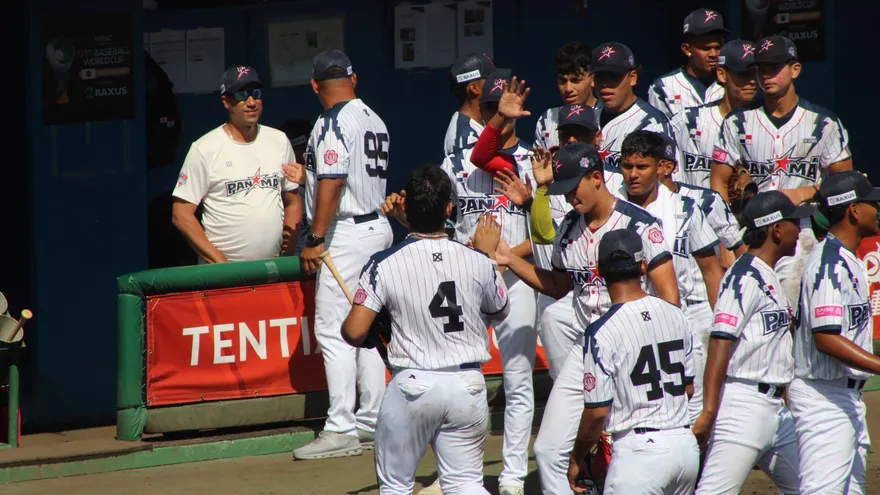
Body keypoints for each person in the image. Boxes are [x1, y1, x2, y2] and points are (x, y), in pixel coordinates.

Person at [485, 141, 680, 494]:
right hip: (587, 348)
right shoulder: (569, 229)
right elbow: (560, 285)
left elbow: (670, 298)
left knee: (628, 452)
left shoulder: (641, 225)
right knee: (546, 450)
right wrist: (511, 260)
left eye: (573, 188)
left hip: (634, 349)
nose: (568, 198)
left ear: (596, 177)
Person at [342, 165, 510, 495]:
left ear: (407, 206)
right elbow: (501, 309)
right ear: (449, 208)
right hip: (468, 386)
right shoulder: (476, 259)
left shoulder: (384, 262)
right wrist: (489, 256)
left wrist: (380, 324)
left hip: (413, 387)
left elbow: (353, 332)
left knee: (396, 487)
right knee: (466, 484)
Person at [438, 71, 537, 495]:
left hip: (515, 281)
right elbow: (443, 223)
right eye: (490, 109)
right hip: (468, 284)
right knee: (461, 381)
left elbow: (545, 236)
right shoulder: (458, 162)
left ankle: (513, 476)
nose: (496, 114)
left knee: (518, 379)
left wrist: (509, 256)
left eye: (502, 107)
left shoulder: (534, 161)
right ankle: (462, 474)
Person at [292, 50, 393, 460]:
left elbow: (333, 181)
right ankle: (371, 421)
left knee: (335, 332)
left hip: (345, 234)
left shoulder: (332, 120)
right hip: (376, 227)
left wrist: (315, 237)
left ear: (315, 85)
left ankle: (341, 427)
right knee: (366, 329)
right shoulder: (374, 117)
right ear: (355, 77)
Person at [710, 34, 853, 307]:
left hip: (802, 230)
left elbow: (845, 184)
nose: (766, 75)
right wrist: (729, 241)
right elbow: (717, 182)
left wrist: (806, 191)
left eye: (774, 68)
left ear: (795, 69)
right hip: (751, 230)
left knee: (792, 310)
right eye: (761, 68)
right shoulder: (737, 122)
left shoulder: (822, 122)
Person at [693, 191, 811, 494]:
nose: (799, 229)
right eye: (793, 222)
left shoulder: (767, 274)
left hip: (775, 410)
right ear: (776, 229)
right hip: (743, 406)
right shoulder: (743, 276)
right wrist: (709, 411)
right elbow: (720, 342)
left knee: (814, 487)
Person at [568, 229, 698, 494]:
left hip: (639, 456)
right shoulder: (677, 316)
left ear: (599, 270)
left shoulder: (601, 332)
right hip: (685, 448)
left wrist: (576, 457)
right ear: (643, 265)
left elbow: (597, 414)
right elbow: (688, 388)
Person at [619, 130, 725, 424]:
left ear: (660, 167)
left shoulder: (684, 209)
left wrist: (722, 324)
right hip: (630, 322)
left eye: (642, 167)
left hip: (687, 316)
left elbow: (711, 269)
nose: (633, 175)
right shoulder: (613, 207)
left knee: (693, 407)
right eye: (628, 167)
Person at [491, 102, 602, 380]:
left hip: (602, 299)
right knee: (565, 385)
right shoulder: (546, 176)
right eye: (566, 135)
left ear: (597, 137)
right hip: (561, 294)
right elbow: (548, 236)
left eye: (582, 134)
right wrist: (533, 200)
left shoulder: (614, 181)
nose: (573, 141)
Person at [789, 171, 880, 494]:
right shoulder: (828, 263)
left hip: (845, 394)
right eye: (871, 202)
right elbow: (825, 337)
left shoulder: (847, 259)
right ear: (853, 210)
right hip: (823, 396)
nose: (877, 207)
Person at [171, 65, 301, 263]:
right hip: (224, 276)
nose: (251, 102)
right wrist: (220, 263)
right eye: (242, 95)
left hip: (272, 271)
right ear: (226, 101)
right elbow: (181, 214)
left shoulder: (279, 141)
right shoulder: (204, 148)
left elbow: (293, 201)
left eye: (256, 94)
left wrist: (286, 253)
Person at [670, 39, 758, 190]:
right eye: (743, 74)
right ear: (722, 75)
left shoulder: (767, 122)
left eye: (756, 74)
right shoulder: (686, 120)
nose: (752, 81)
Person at [591, 41, 672, 197]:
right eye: (600, 77)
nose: (605, 84)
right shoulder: (588, 118)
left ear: (632, 77)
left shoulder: (652, 122)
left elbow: (664, 181)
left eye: (613, 76)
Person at [648, 8, 728, 119]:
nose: (714, 54)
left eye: (718, 47)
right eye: (705, 48)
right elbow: (658, 133)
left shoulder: (733, 82)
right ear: (687, 49)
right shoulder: (663, 87)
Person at [534, 42, 602, 151]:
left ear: (593, 79)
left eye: (576, 80)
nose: (568, 88)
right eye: (563, 80)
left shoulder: (607, 116)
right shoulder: (547, 119)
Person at [444, 53, 495, 156]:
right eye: (490, 79)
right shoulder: (465, 137)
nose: (496, 83)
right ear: (474, 88)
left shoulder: (477, 122)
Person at [279, 118, 313, 255]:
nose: (306, 157)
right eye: (302, 152)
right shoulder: (277, 183)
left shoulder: (326, 182)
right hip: (287, 262)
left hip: (318, 259)